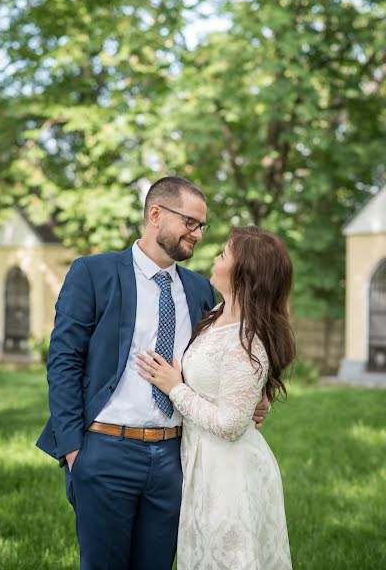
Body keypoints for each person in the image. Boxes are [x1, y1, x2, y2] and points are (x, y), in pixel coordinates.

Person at [36, 177, 270, 570]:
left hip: (173, 458)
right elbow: (63, 361)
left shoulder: (200, 290)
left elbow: (230, 349)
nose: (197, 234)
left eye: (201, 226)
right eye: (190, 222)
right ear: (156, 214)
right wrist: (75, 450)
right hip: (104, 451)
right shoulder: (93, 273)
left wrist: (255, 392)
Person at [137, 225, 295, 570]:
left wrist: (173, 387)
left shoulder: (246, 342)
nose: (215, 256)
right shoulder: (216, 315)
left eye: (224, 254)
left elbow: (231, 425)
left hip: (230, 472)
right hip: (202, 462)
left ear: (242, 275)